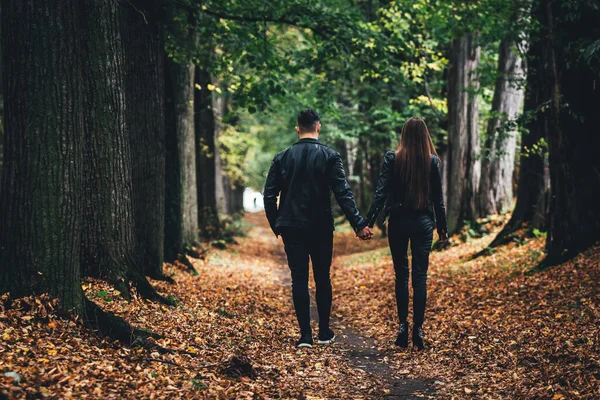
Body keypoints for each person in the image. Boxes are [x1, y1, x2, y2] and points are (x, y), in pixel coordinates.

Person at [264, 109, 373, 348]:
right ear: (318, 127)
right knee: (323, 278)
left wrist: (277, 225)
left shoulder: (282, 157)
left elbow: (269, 195)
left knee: (298, 279)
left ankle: (305, 336)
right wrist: (358, 224)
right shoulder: (330, 156)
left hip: (292, 227)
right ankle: (324, 332)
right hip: (321, 227)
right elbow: (343, 193)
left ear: (297, 128)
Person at [365, 117, 448, 350]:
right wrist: (442, 228)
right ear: (425, 136)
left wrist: (368, 222)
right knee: (420, 276)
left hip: (398, 221)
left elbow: (380, 194)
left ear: (403, 135)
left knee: (401, 275)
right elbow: (439, 200)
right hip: (423, 222)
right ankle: (418, 330)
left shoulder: (393, 158)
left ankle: (402, 327)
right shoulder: (432, 162)